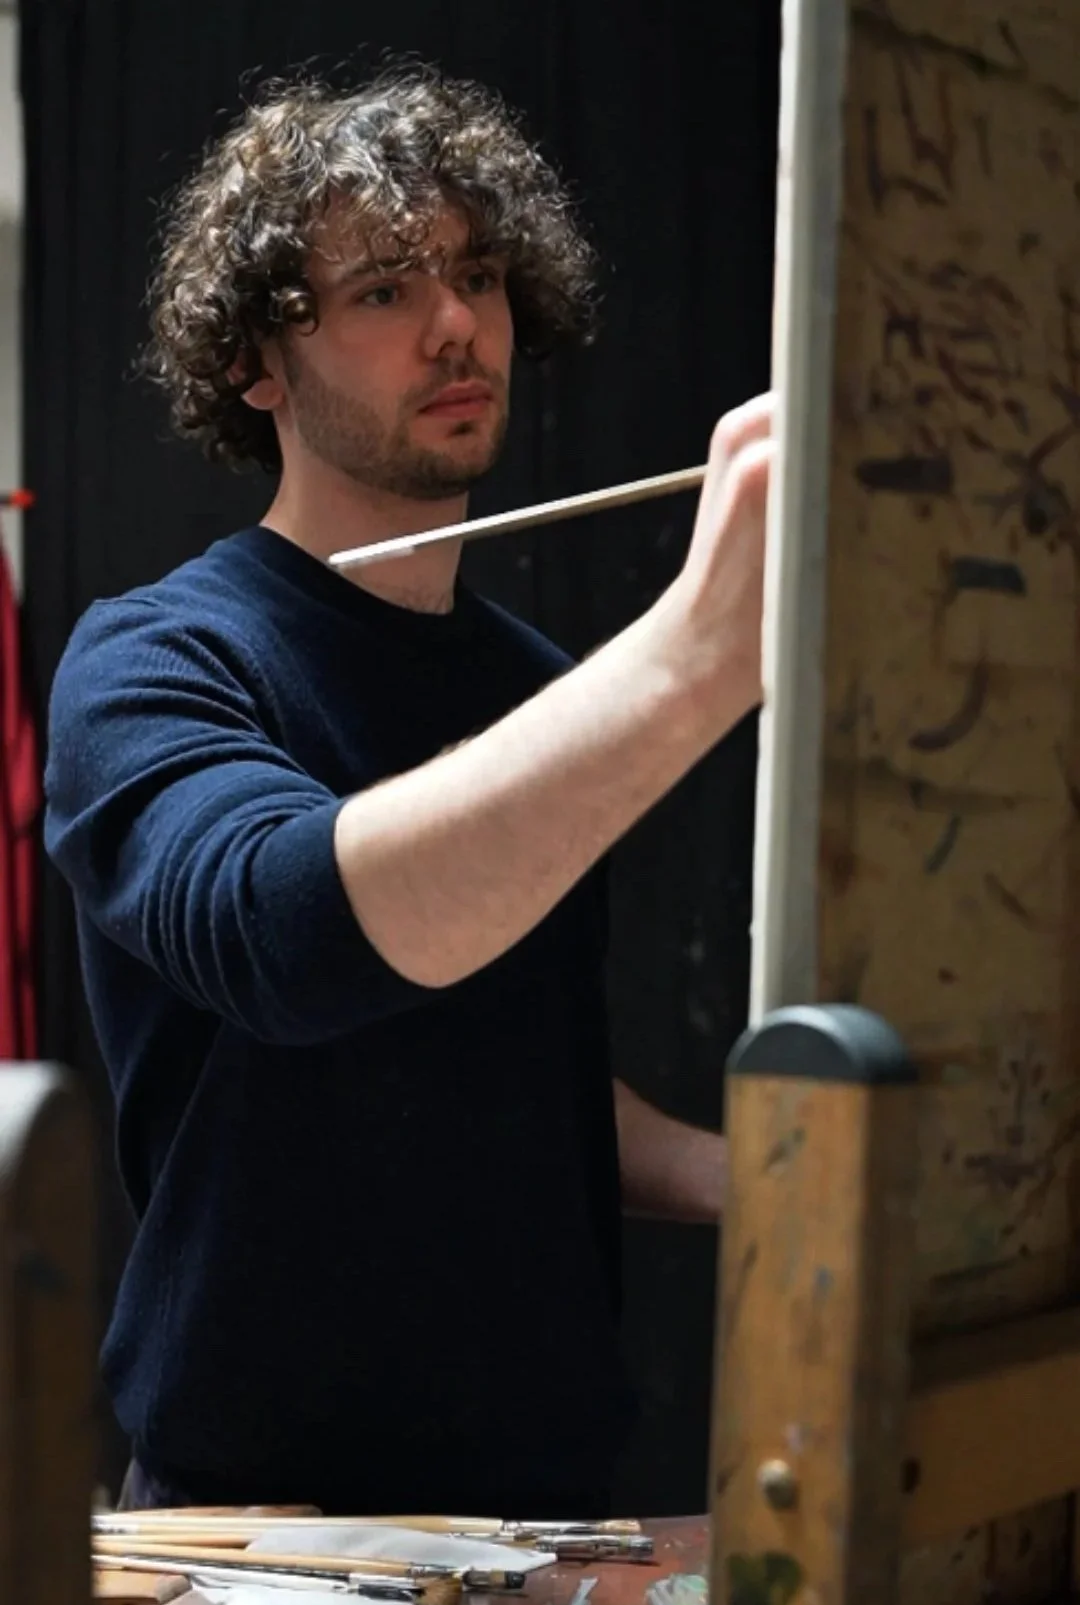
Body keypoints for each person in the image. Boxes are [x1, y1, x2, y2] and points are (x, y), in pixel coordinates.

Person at [44, 66, 772, 1517]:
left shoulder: (541, 689)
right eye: (383, 288)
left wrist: (756, 1172)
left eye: (481, 275)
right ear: (258, 358)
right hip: (260, 1531)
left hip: (551, 1504)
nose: (457, 325)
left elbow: (507, 1062)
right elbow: (296, 938)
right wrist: (700, 657)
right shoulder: (151, 659)